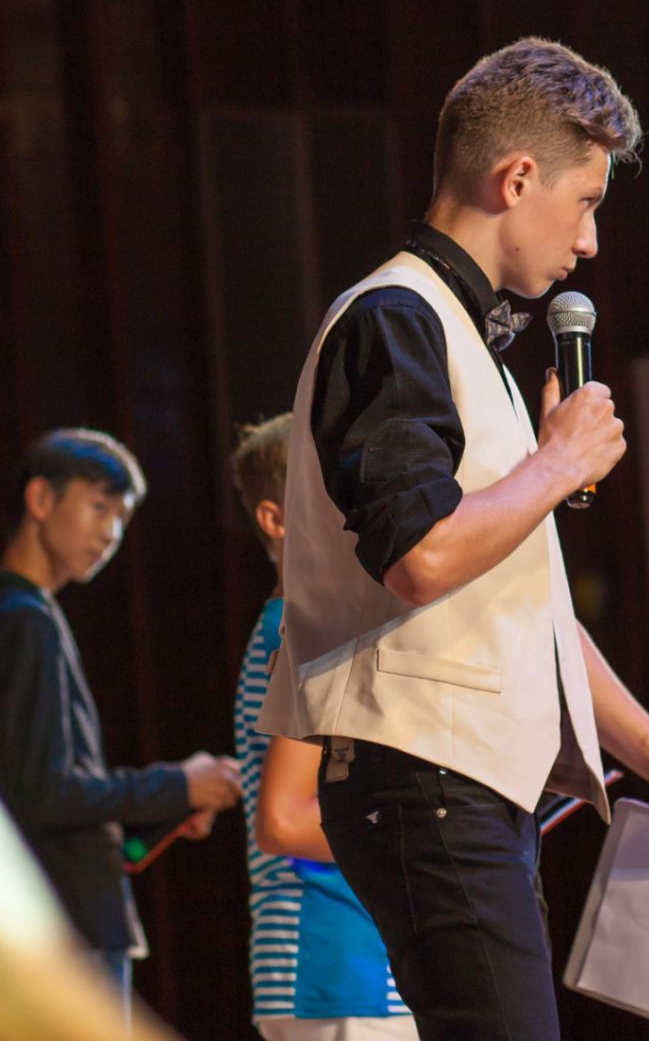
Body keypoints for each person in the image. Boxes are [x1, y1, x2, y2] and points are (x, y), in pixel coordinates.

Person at [259, 36, 649, 1039]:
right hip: (424, 778)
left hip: (463, 786)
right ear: (518, 177)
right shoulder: (395, 317)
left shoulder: (468, 346)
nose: (589, 241)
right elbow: (418, 556)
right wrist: (556, 464)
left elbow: (530, 618)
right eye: (585, 202)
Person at [0, 427, 242, 1025]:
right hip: (71, 924)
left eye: (121, 518)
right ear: (41, 499)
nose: (110, 533)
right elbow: (46, 793)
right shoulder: (24, 621)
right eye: (99, 506)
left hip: (54, 915)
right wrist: (177, 784)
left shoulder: (13, 614)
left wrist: (168, 808)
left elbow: (38, 790)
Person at [230, 414, 417, 1040]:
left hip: (345, 966)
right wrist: (422, 832)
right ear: (275, 519)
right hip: (333, 964)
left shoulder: (298, 624)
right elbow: (285, 822)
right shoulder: (302, 626)